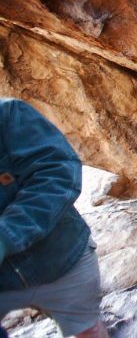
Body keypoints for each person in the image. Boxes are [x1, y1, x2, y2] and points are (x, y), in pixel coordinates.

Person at [0, 98, 108, 338]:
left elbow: (59, 172)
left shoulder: (7, 115)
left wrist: (6, 234)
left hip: (61, 256)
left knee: (87, 330)